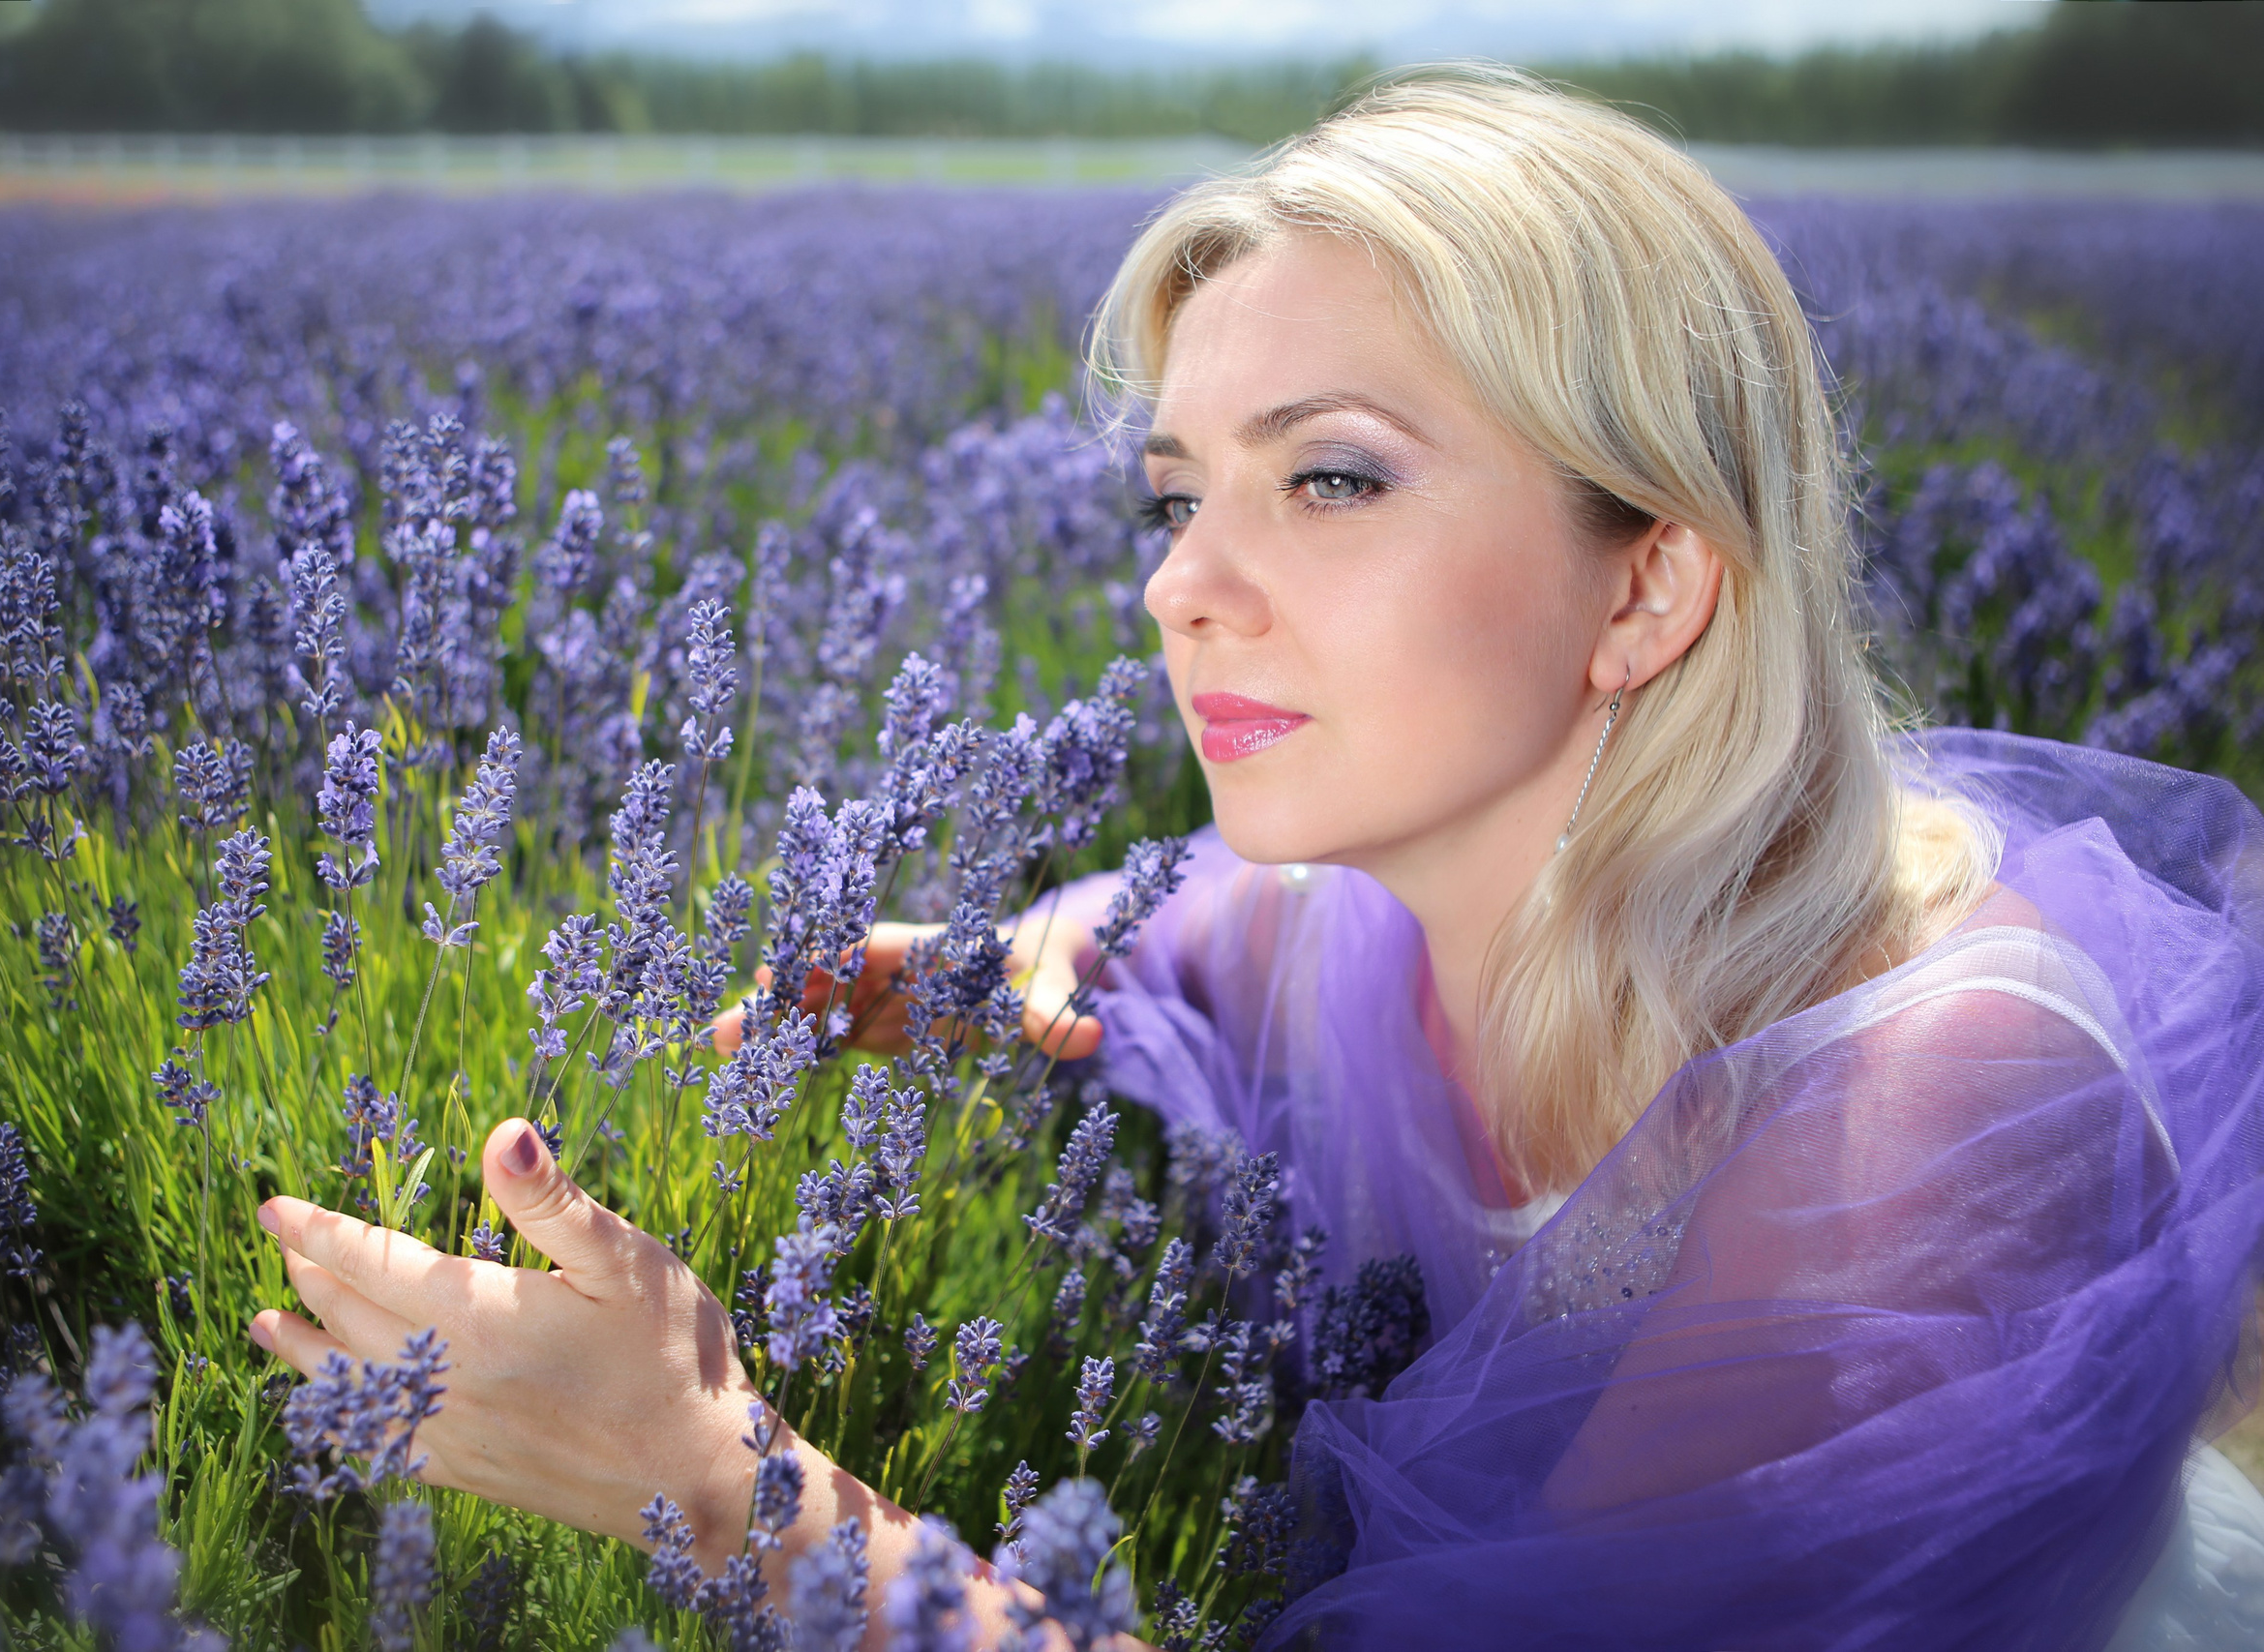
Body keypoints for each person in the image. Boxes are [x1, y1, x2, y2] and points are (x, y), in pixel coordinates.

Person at [248, 68, 2264, 1650]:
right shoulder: (1334, 908)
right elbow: (1132, 945)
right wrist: (919, 982)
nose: (1178, 590)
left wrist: (714, 1482)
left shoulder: (1919, 1126)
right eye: (1170, 491)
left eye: (1327, 477)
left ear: (1645, 582)